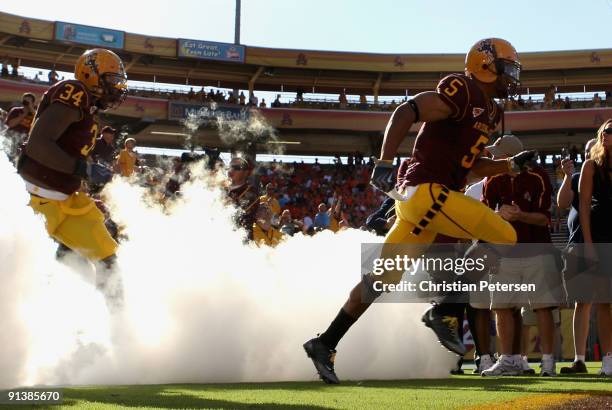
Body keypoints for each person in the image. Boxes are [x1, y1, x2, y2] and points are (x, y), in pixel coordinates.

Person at [303, 38, 535, 384]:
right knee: (506, 235)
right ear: (486, 65)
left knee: (379, 281)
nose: (512, 79)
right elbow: (408, 110)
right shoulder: (464, 89)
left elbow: (472, 165)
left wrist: (509, 167)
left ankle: (325, 342)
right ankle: (445, 308)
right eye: (508, 70)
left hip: (422, 206)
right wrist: (383, 161)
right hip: (427, 194)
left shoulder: (490, 111)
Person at [16, 48, 128, 305]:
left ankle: (109, 329)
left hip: (62, 200)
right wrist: (82, 169)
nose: (116, 87)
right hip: (38, 198)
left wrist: (85, 175)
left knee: (101, 261)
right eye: (111, 80)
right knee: (67, 266)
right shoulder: (75, 91)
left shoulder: (87, 107)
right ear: (90, 74)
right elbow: (39, 145)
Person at [557, 139, 596, 374]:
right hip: (578, 246)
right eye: (586, 150)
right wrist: (567, 175)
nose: (590, 153)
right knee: (581, 303)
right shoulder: (577, 177)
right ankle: (579, 359)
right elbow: (562, 203)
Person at [577, 119, 612, 377]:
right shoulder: (590, 167)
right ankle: (609, 359)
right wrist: (588, 245)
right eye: (606, 131)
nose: (609, 135)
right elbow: (584, 208)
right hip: (600, 237)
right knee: (603, 302)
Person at [226, 156, 259, 240]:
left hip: (241, 237)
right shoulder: (222, 188)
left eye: (236, 168)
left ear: (246, 172)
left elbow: (242, 215)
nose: (231, 170)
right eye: (230, 167)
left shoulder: (251, 192)